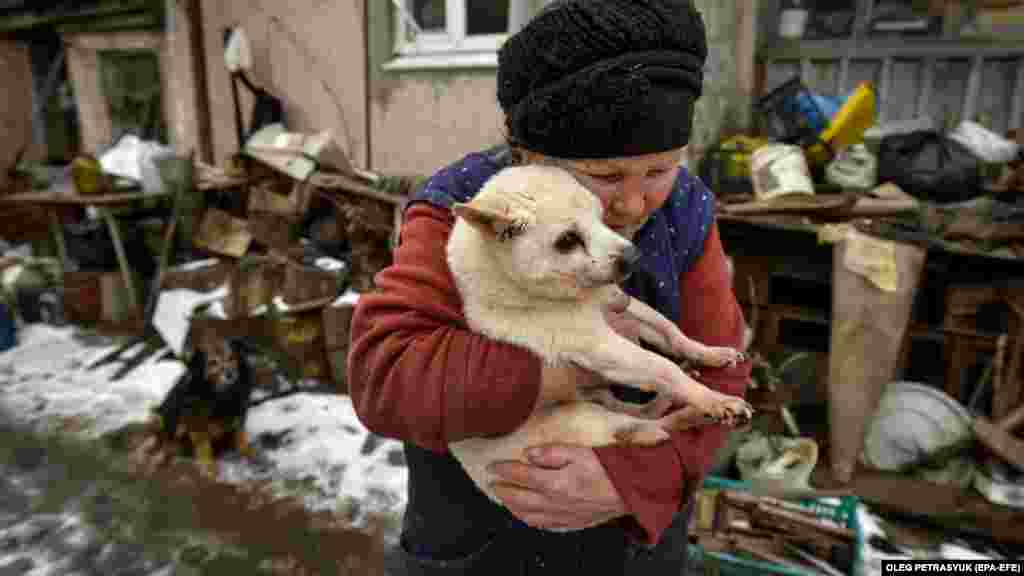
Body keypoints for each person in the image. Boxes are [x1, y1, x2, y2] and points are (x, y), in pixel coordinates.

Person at [347, 1, 751, 573]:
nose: (635, 204)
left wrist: (636, 479)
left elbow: (723, 364)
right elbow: (387, 378)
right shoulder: (470, 214)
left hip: (633, 543)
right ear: (530, 157)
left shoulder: (685, 209)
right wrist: (576, 364)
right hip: (482, 542)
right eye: (605, 176)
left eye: (660, 170)